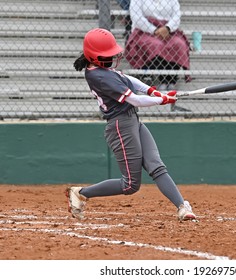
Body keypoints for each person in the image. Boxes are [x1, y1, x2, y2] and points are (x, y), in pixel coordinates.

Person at [67, 28, 196, 222]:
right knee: (130, 185)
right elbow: (134, 100)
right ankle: (80, 193)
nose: (112, 57)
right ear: (95, 56)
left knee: (156, 165)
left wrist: (154, 92)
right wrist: (162, 100)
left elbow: (129, 80)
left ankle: (182, 207)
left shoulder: (102, 69)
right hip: (120, 127)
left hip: (132, 120)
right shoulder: (99, 76)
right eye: (107, 54)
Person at [124, 0, 191, 91]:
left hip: (168, 31)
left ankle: (171, 80)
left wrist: (167, 28)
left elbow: (176, 16)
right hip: (144, 31)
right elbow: (137, 17)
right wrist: (154, 30)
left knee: (178, 44)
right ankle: (162, 80)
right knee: (155, 45)